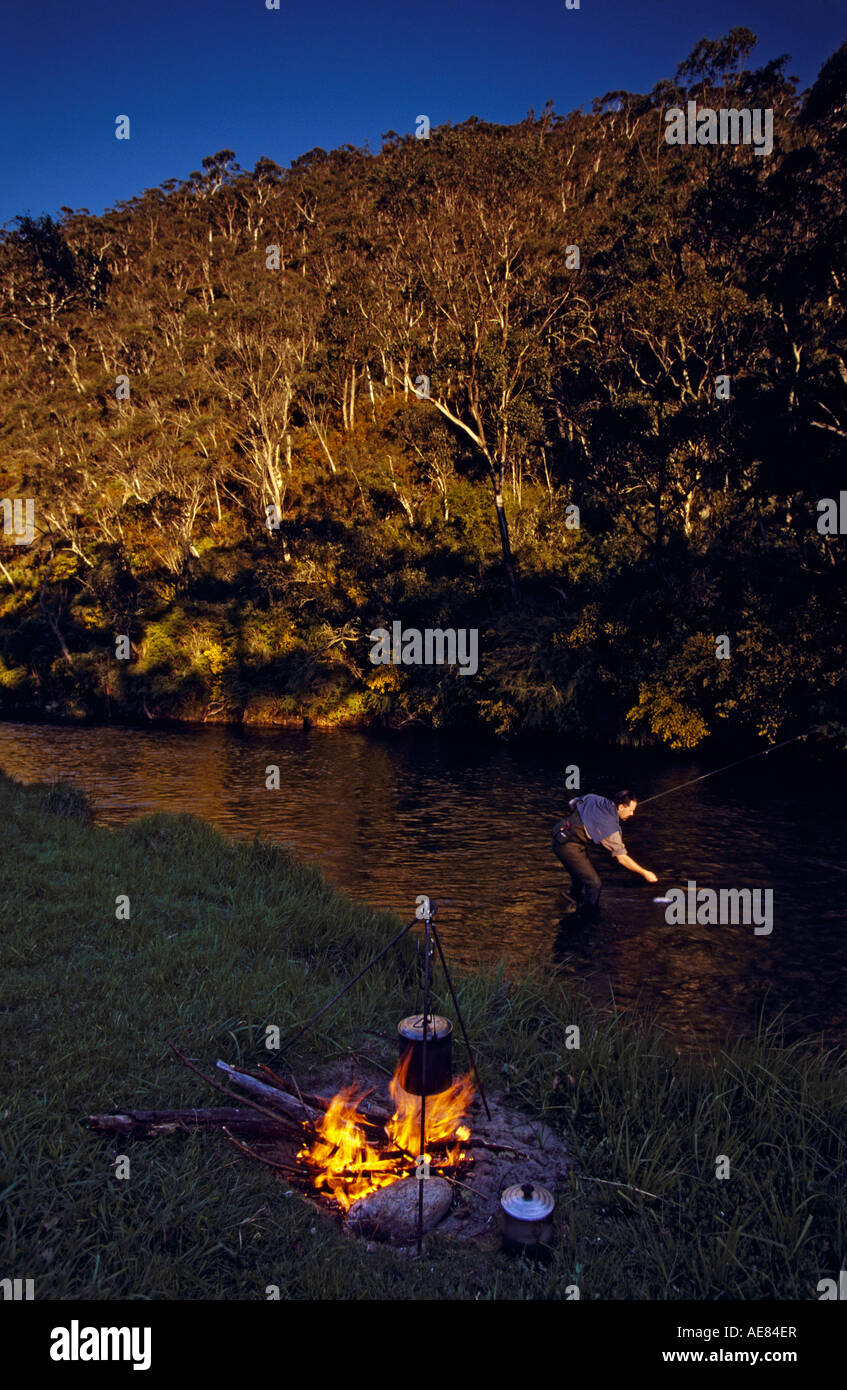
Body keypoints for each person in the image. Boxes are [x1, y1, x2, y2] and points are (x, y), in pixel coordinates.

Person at [552, 790, 657, 916]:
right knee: (594, 884)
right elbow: (622, 858)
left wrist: (588, 817)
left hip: (560, 834)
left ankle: (571, 904)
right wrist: (645, 873)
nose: (632, 814)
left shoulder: (593, 798)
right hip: (567, 846)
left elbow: (572, 803)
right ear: (621, 807)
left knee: (580, 877)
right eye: (630, 810)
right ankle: (588, 916)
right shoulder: (610, 829)